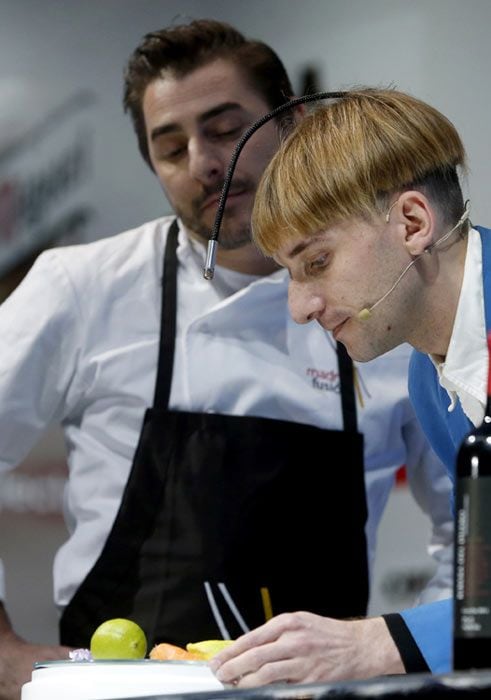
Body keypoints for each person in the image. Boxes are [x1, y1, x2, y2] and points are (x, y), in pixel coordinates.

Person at [0, 24, 452, 699]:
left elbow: (466, 528)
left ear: (293, 122)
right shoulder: (82, 286)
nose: (204, 162)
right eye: (171, 146)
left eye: (223, 128)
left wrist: (401, 659)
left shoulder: (383, 304)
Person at [210, 87, 475, 686]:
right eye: (290, 275)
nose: (300, 307)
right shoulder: (429, 385)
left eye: (317, 263)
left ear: (412, 222)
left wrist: (378, 643)